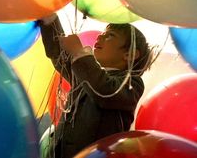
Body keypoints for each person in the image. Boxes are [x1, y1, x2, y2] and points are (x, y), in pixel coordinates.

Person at [39, 13, 153, 158]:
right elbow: (60, 55)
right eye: (103, 34)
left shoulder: (132, 83)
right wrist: (50, 21)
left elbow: (105, 91)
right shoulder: (86, 75)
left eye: (110, 35)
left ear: (129, 54)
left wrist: (79, 52)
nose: (100, 37)